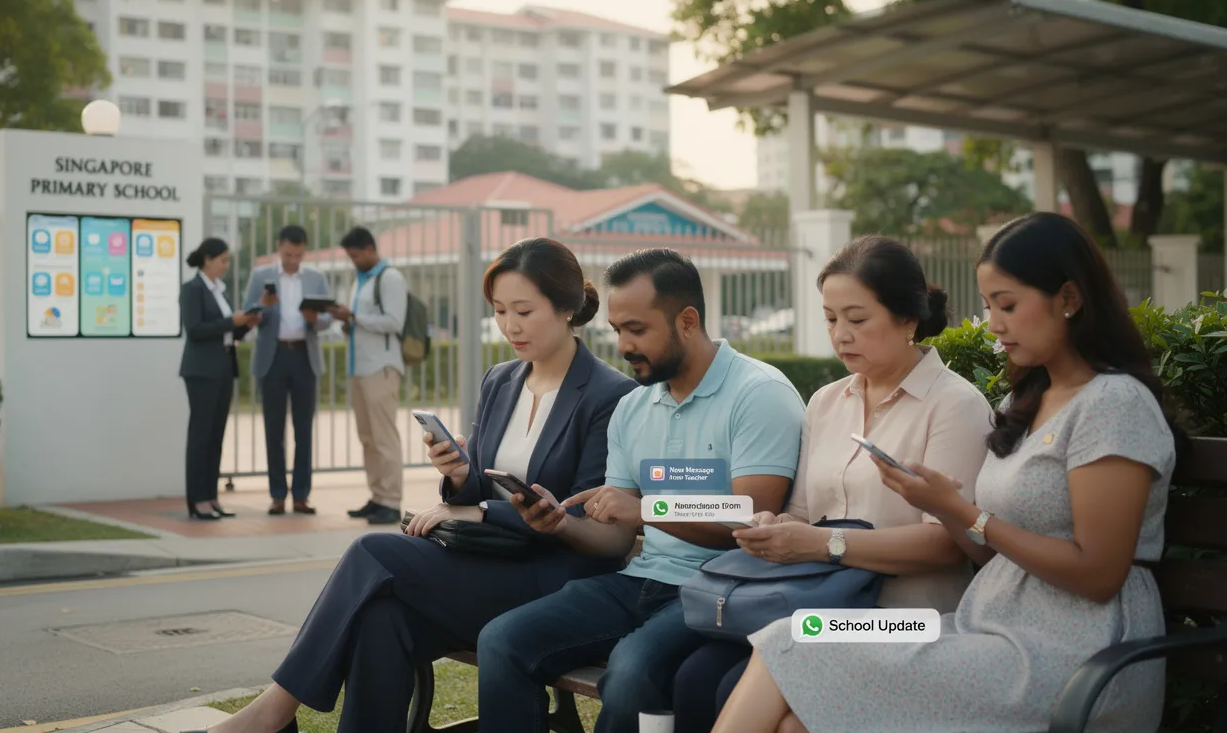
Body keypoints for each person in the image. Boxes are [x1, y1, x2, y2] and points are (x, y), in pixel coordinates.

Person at [714, 212, 1187, 733]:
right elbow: (985, 551)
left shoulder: (1113, 403)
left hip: (1065, 650)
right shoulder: (1025, 400)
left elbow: (1098, 575)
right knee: (793, 641)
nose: (994, 324)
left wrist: (961, 512)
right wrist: (948, 509)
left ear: (1070, 299)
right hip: (978, 626)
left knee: (788, 644)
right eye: (989, 307)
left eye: (1008, 305)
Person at [196, 237, 636, 733]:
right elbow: (480, 488)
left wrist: (479, 512)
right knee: (382, 620)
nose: (509, 326)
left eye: (524, 311)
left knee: (373, 550)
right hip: (486, 566)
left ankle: (272, 713)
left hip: (554, 582)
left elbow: (584, 516)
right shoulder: (501, 380)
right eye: (499, 311)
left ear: (566, 308)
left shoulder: (610, 395)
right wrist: (459, 476)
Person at [474, 248, 807, 733]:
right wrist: (563, 524)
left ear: (687, 321)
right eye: (616, 330)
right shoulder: (634, 407)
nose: (624, 345)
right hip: (641, 579)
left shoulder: (759, 395)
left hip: (720, 587)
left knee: (631, 671)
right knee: (501, 639)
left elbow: (749, 523)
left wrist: (649, 507)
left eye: (638, 329)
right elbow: (613, 537)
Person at [670, 236, 994, 733]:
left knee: (743, 692)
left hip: (908, 618)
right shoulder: (825, 402)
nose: (840, 334)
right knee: (695, 677)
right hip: (817, 602)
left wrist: (824, 544)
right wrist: (771, 526)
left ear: (908, 319)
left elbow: (946, 544)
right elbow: (802, 516)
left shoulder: (955, 406)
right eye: (830, 318)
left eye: (857, 319)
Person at [244, 225, 334, 516]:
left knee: (304, 429)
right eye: (287, 254)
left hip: (304, 356)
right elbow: (248, 315)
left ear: (304, 251)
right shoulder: (261, 276)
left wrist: (314, 319)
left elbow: (327, 320)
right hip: (273, 356)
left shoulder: (316, 278)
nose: (292, 260)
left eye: (298, 254)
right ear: (278, 248)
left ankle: (301, 495)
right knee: (274, 429)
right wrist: (262, 305)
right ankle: (277, 495)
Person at [329, 226, 408, 526]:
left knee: (384, 436)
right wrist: (348, 323)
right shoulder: (360, 280)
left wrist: (354, 317)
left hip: (381, 367)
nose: (353, 261)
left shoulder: (390, 278)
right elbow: (362, 322)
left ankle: (391, 500)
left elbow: (393, 321)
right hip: (359, 367)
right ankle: (377, 497)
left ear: (370, 249)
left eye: (356, 255)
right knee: (367, 437)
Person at [179, 238, 258, 520]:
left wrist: (244, 325)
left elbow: (227, 332)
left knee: (216, 436)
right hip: (201, 371)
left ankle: (211, 497)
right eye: (222, 260)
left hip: (224, 367)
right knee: (200, 435)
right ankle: (197, 499)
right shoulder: (193, 289)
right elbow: (196, 329)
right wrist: (231, 322)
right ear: (207, 259)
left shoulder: (219, 291)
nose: (226, 265)